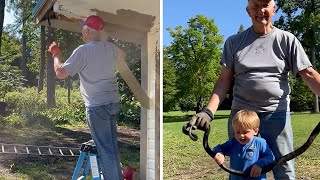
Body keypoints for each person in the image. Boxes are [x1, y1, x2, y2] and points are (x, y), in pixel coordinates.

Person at [188, 0, 320, 179]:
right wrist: (207, 112)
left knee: (284, 167)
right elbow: (224, 80)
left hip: (276, 115)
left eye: (265, 4)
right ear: (248, 10)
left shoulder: (287, 40)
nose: (261, 10)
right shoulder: (234, 42)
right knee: (242, 170)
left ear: (274, 9)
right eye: (255, 5)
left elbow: (309, 74)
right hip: (241, 117)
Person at [48, 15, 125, 180]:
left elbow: (61, 73)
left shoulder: (83, 51)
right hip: (113, 103)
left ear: (87, 31)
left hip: (97, 106)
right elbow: (122, 54)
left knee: (105, 150)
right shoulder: (110, 48)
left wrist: (56, 54)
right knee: (111, 147)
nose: (82, 33)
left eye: (83, 30)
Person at [212, 110, 275, 180]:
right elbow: (219, 148)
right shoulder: (233, 142)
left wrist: (259, 164)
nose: (241, 136)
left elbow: (270, 157)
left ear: (255, 131)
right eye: (238, 132)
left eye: (245, 132)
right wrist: (219, 153)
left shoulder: (260, 143)